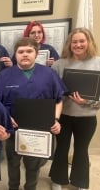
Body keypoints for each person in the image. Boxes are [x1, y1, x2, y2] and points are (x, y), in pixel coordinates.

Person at [0, 37, 65, 190]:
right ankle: (13, 187)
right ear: (15, 55)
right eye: (20, 51)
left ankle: (30, 187)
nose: (25, 54)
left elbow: (59, 99)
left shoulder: (48, 74)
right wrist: (6, 118)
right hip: (13, 129)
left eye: (29, 51)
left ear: (36, 53)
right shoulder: (5, 75)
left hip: (38, 130)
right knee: (13, 163)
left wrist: (55, 119)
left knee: (33, 165)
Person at [49, 28, 100, 190]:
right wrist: (60, 95)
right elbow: (51, 91)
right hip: (64, 115)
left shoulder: (98, 63)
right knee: (62, 148)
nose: (78, 45)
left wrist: (88, 101)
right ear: (69, 44)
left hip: (87, 117)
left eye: (81, 41)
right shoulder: (59, 64)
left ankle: (81, 182)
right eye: (74, 41)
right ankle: (58, 179)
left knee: (81, 149)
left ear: (89, 42)